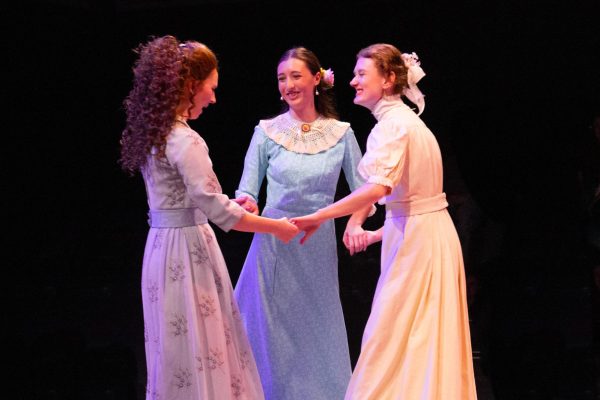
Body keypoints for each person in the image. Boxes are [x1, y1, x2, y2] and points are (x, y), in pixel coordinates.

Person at [292, 43, 477, 399]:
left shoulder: (392, 127)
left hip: (421, 245)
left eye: (362, 74)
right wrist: (373, 232)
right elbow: (413, 203)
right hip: (425, 236)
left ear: (389, 79)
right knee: (416, 339)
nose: (352, 82)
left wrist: (321, 216)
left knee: (389, 339)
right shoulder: (408, 122)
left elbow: (378, 187)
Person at [119, 35, 299, 400]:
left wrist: (227, 203)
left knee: (176, 346)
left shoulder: (156, 133)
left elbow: (192, 199)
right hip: (187, 250)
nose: (214, 98)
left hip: (160, 247)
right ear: (190, 85)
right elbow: (220, 213)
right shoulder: (185, 139)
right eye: (210, 88)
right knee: (202, 341)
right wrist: (276, 228)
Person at [233, 47, 372, 400]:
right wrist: (246, 202)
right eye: (282, 78)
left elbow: (366, 192)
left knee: (317, 329)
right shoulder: (266, 132)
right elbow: (248, 190)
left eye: (296, 76)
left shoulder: (340, 133)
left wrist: (354, 224)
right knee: (270, 333)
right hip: (272, 245)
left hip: (316, 247)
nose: (288, 84)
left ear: (316, 79)